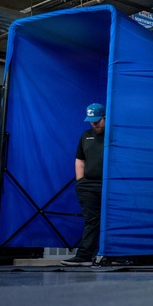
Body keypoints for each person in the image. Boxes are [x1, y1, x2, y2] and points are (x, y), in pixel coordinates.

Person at [61, 103, 107, 266]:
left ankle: (117, 254)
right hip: (88, 185)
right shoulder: (85, 136)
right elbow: (80, 159)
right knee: (91, 220)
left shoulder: (113, 135)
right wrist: (81, 181)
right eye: (91, 120)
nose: (94, 123)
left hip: (109, 185)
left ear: (105, 117)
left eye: (97, 120)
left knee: (114, 218)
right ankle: (85, 256)